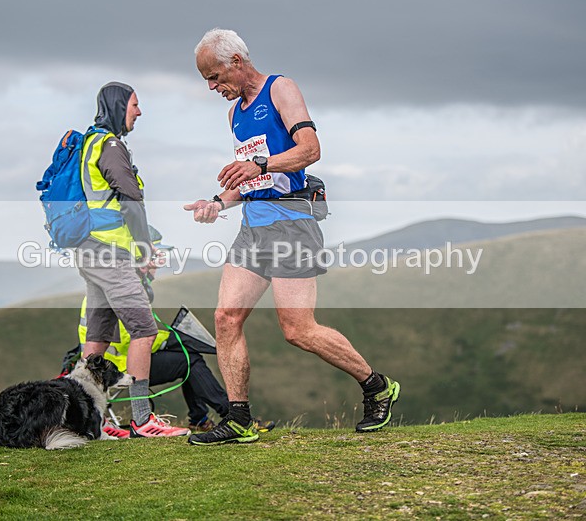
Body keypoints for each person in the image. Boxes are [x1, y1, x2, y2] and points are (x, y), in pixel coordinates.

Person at [184, 29, 400, 445]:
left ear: (236, 61)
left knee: (298, 329)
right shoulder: (234, 114)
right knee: (226, 318)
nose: (212, 87)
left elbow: (310, 149)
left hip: (292, 225)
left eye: (214, 76)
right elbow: (247, 178)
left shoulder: (280, 88)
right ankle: (240, 418)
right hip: (253, 225)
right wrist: (216, 201)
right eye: (207, 81)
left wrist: (261, 164)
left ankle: (377, 386)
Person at [75, 82, 189, 438]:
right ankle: (142, 420)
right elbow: (130, 200)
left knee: (98, 337)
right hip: (110, 252)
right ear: (119, 105)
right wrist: (143, 248)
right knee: (144, 328)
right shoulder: (110, 145)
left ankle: (94, 421)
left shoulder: (89, 142)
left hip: (89, 249)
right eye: (135, 105)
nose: (139, 112)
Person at [73, 296, 231, 435]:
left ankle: (200, 418)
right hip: (120, 368)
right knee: (189, 360)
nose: (156, 265)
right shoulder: (120, 292)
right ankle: (228, 412)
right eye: (153, 260)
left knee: (189, 358)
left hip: (106, 367)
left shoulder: (100, 292)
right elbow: (134, 339)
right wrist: (173, 339)